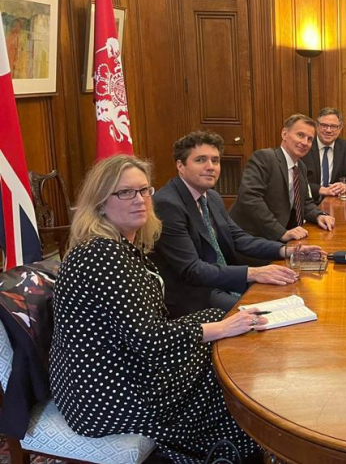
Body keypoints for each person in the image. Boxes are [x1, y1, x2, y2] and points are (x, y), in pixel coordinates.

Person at [50, 155, 271, 464]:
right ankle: (227, 448)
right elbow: (149, 340)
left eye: (144, 191)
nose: (139, 200)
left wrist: (218, 325)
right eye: (125, 192)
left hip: (119, 364)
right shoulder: (102, 255)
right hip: (103, 395)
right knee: (224, 369)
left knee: (220, 327)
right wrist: (219, 329)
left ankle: (233, 441)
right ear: (100, 203)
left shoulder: (121, 245)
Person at [152, 131, 320, 317]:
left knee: (295, 296)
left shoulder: (212, 197)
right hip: (195, 294)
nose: (210, 167)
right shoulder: (167, 204)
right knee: (266, 315)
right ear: (180, 166)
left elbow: (238, 238)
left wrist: (286, 250)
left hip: (222, 282)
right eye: (200, 160)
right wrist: (253, 273)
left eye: (215, 161)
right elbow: (193, 270)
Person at [230, 114, 336, 243]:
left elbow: (305, 202)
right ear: (284, 134)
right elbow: (250, 198)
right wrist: (281, 232)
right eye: (300, 135)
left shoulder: (300, 167)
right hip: (251, 239)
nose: (305, 143)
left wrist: (319, 215)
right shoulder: (264, 158)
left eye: (309, 139)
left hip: (279, 237)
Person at [301, 107, 346, 203]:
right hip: (308, 203)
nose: (328, 130)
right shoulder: (305, 145)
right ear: (317, 126)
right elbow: (296, 181)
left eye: (333, 126)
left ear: (340, 128)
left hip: (336, 202)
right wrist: (320, 190)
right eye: (324, 125)